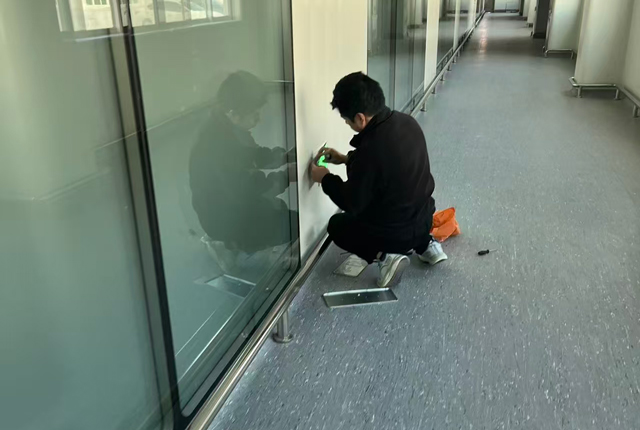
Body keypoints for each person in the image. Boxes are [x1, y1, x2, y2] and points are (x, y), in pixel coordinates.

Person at [310, 72, 447, 288]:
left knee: (337, 226)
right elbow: (387, 168)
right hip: (424, 219)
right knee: (403, 201)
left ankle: (386, 257)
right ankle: (426, 245)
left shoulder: (370, 149)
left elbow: (352, 202)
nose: (347, 123)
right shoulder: (407, 122)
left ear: (360, 118)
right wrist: (345, 159)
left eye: (346, 120)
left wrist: (325, 178)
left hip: (395, 233)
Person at [190, 71, 297, 277]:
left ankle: (234, 244)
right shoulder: (217, 146)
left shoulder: (226, 128)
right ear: (233, 112)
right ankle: (232, 248)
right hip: (224, 218)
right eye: (254, 113)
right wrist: (286, 177)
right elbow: (250, 189)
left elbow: (253, 155)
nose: (259, 118)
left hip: (228, 207)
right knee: (292, 225)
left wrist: (284, 157)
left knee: (280, 213)